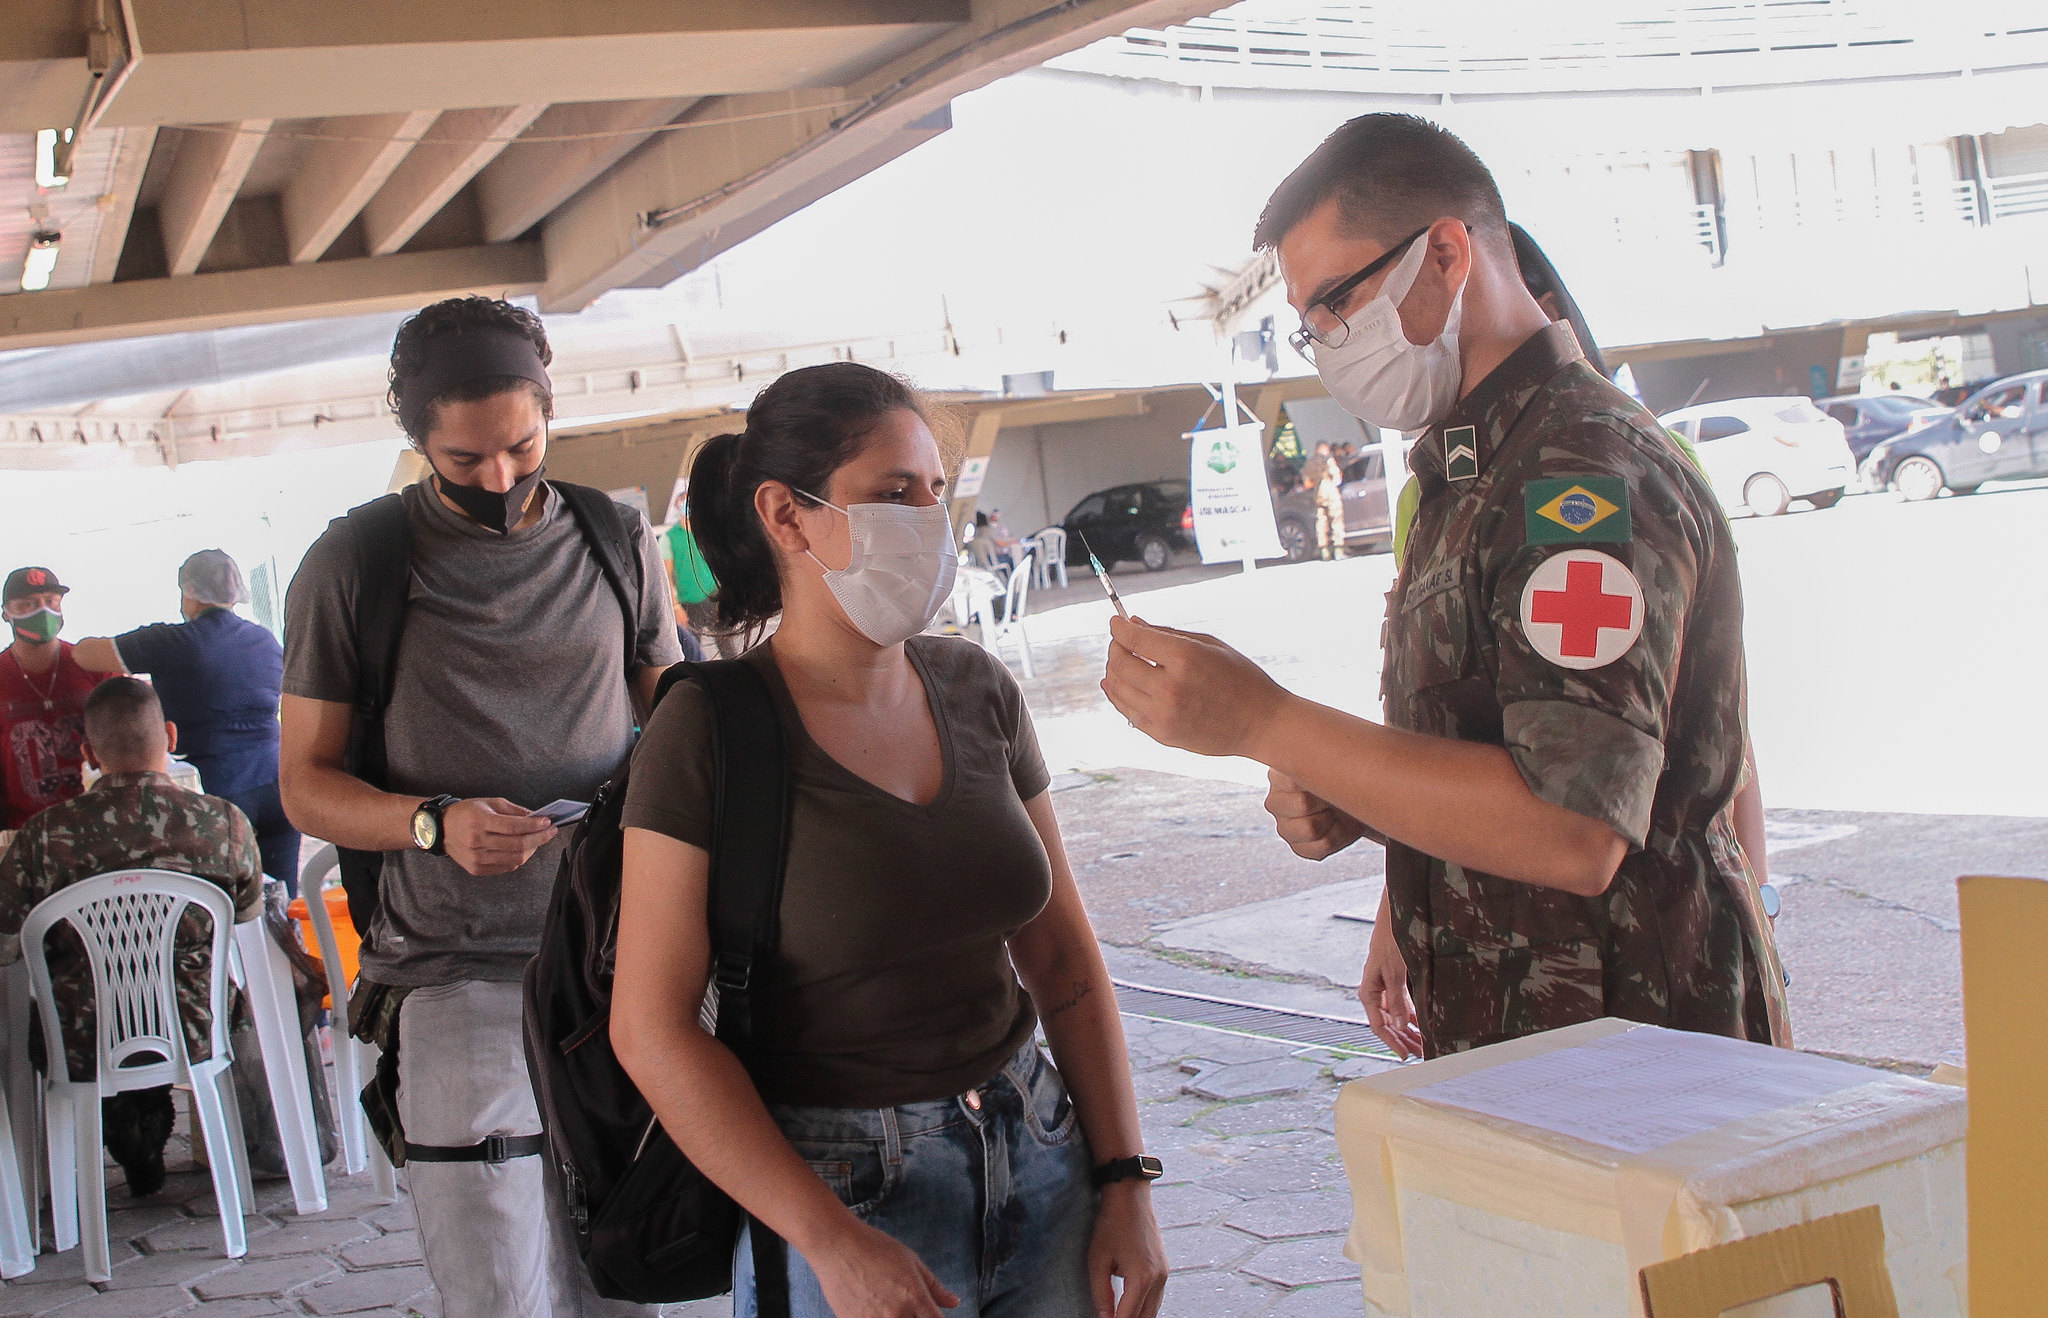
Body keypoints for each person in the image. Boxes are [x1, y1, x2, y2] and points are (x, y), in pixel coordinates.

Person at [1102, 113, 1790, 1060]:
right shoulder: (1468, 474)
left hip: (1645, 1055)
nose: (1330, 342)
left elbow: (1572, 826)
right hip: (1530, 1046)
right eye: (1311, 326)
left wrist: (1265, 719)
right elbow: (1503, 738)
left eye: (1336, 303)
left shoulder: (1579, 475)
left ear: (1446, 253)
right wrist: (1362, 796)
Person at [609, 362, 1167, 1318]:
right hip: (844, 1190)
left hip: (1040, 1152)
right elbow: (651, 1030)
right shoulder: (712, 729)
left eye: (934, 494)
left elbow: (1063, 959)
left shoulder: (977, 689)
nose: (927, 524)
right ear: (786, 516)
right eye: (892, 494)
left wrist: (1123, 1177)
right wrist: (826, 1238)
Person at [279, 296, 680, 1317]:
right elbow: (305, 784)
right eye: (463, 460)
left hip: (619, 965)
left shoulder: (615, 538)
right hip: (455, 972)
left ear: (550, 408)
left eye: (521, 445)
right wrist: (432, 822)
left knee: (634, 1273)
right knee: (498, 1288)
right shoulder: (353, 564)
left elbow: (678, 723)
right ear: (417, 440)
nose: (499, 477)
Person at [0, 677, 262, 1196]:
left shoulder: (43, 838)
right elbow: (248, 922)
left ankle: (101, 1138)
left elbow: (6, 945)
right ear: (168, 734)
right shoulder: (223, 823)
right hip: (195, 1026)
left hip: (79, 1038)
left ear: (87, 753)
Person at [72, 551, 302, 892]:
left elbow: (83, 654)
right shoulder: (264, 641)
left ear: (190, 590)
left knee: (223, 904)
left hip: (218, 793)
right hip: (279, 786)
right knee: (281, 903)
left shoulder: (172, 642)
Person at [1, 566, 101, 836]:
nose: (42, 611)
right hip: (25, 835)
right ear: (6, 614)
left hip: (98, 829)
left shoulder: (94, 665)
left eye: (51, 601)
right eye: (28, 604)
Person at [1300, 441, 1347, 560]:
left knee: (1321, 522)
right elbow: (1336, 477)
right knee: (1336, 520)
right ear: (1324, 448)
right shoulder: (1328, 460)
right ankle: (1338, 550)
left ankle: (1324, 551)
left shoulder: (1309, 463)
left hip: (1318, 494)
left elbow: (1307, 482)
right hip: (1330, 492)